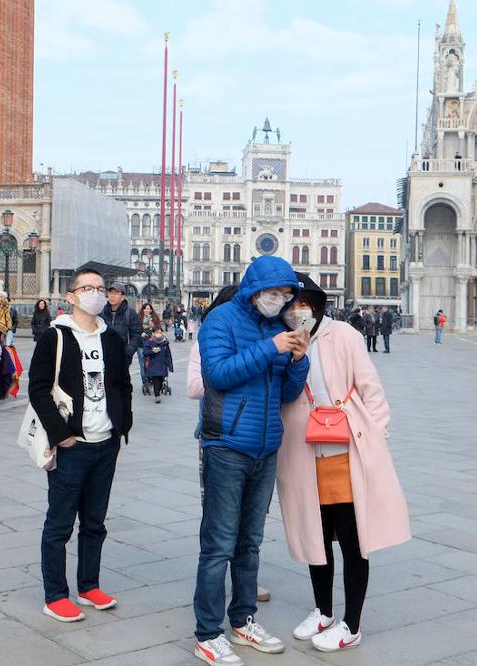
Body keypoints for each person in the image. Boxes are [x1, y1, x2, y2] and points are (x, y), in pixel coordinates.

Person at [276, 274, 410, 653]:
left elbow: (371, 389)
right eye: (290, 304)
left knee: (352, 538)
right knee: (315, 535)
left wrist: (375, 441)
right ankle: (322, 610)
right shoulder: (283, 342)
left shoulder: (345, 336)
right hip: (304, 452)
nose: (296, 310)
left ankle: (351, 622)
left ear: (316, 306)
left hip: (346, 449)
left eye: (302, 303)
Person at [193, 256, 308, 665]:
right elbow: (218, 375)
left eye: (285, 294)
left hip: (265, 447)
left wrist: (298, 359)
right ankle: (208, 632)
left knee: (251, 542)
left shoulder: (281, 328)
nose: (279, 301)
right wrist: (270, 347)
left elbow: (289, 393)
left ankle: (243, 619)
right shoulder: (220, 320)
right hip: (225, 444)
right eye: (273, 293)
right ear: (254, 290)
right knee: (219, 543)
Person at [29, 267, 132, 623]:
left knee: (95, 522)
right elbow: (38, 388)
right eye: (87, 287)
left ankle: (89, 585)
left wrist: (122, 425)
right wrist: (62, 435)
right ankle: (55, 594)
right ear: (70, 296)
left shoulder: (112, 338)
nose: (96, 293)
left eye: (101, 288)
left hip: (106, 443)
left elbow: (122, 385)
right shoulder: (56, 336)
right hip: (73, 445)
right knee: (59, 523)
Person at [187, 286, 273, 607]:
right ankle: (214, 597)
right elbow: (197, 385)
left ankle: (244, 590)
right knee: (220, 522)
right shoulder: (209, 337)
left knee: (250, 525)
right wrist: (241, 364)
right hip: (218, 435)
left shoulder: (261, 337)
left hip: (257, 440)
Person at [100, 281, 142, 380]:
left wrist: (128, 353)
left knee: (119, 386)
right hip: (103, 356)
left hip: (122, 358)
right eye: (110, 293)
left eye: (116, 293)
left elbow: (136, 335)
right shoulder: (101, 313)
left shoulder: (130, 314)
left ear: (122, 297)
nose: (112, 296)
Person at [143, 326, 173, 403]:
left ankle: (158, 391)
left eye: (160, 333)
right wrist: (152, 351)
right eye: (157, 333)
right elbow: (145, 353)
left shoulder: (165, 343)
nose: (159, 334)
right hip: (153, 365)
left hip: (162, 364)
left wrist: (170, 365)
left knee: (161, 380)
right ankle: (157, 395)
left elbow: (168, 354)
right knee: (156, 379)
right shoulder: (149, 342)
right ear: (153, 333)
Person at [137, 302, 162, 387]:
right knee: (142, 363)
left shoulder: (154, 319)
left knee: (152, 362)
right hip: (141, 343)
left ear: (151, 310)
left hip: (152, 342)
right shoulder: (138, 318)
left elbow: (159, 330)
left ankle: (152, 379)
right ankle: (145, 382)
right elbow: (135, 329)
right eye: (145, 308)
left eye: (149, 309)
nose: (147, 310)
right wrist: (140, 333)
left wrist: (152, 328)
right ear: (143, 310)